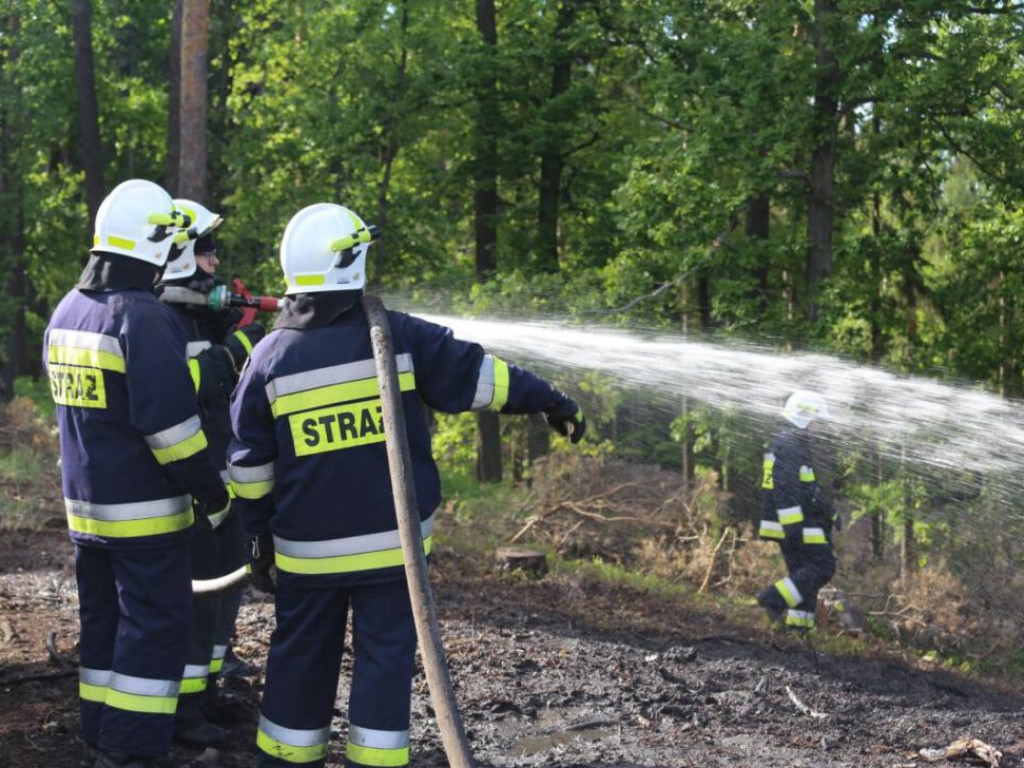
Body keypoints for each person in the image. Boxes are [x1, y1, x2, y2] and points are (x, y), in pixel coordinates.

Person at [228, 203, 586, 767]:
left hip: (306, 554)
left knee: (299, 658)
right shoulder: (399, 336)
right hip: (394, 551)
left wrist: (258, 540)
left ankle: (285, 759)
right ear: (352, 265)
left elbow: (249, 466)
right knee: (384, 659)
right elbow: (483, 378)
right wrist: (551, 400)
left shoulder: (269, 359)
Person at [42, 179, 231, 768]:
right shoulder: (142, 318)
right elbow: (170, 428)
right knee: (154, 629)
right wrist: (212, 492)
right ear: (152, 244)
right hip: (145, 517)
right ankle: (133, 753)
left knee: (103, 624)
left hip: (87, 511)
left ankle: (100, 732)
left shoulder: (68, 311)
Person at [156, 199, 265, 746]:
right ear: (176, 255)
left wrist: (231, 321)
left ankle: (209, 689)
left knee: (226, 589)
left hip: (222, 474)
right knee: (199, 597)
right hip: (191, 486)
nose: (214, 262)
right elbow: (185, 385)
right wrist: (242, 346)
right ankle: (184, 711)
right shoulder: (162, 320)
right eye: (204, 251)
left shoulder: (199, 314)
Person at [756, 390, 838, 630]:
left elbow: (805, 487)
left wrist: (830, 512)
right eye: (816, 419)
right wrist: (793, 525)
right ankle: (773, 598)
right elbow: (785, 487)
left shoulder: (789, 442)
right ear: (805, 417)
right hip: (797, 523)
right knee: (823, 566)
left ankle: (797, 629)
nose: (818, 425)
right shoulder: (790, 444)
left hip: (797, 521)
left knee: (803, 575)